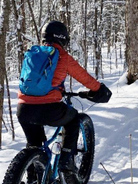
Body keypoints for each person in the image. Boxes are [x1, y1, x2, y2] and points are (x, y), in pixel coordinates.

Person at [17, 20, 111, 173]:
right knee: (73, 119)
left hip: (24, 108)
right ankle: (66, 160)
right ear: (63, 38)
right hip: (49, 108)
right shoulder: (63, 57)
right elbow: (85, 78)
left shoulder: (33, 53)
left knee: (34, 146)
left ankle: (32, 181)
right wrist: (100, 90)